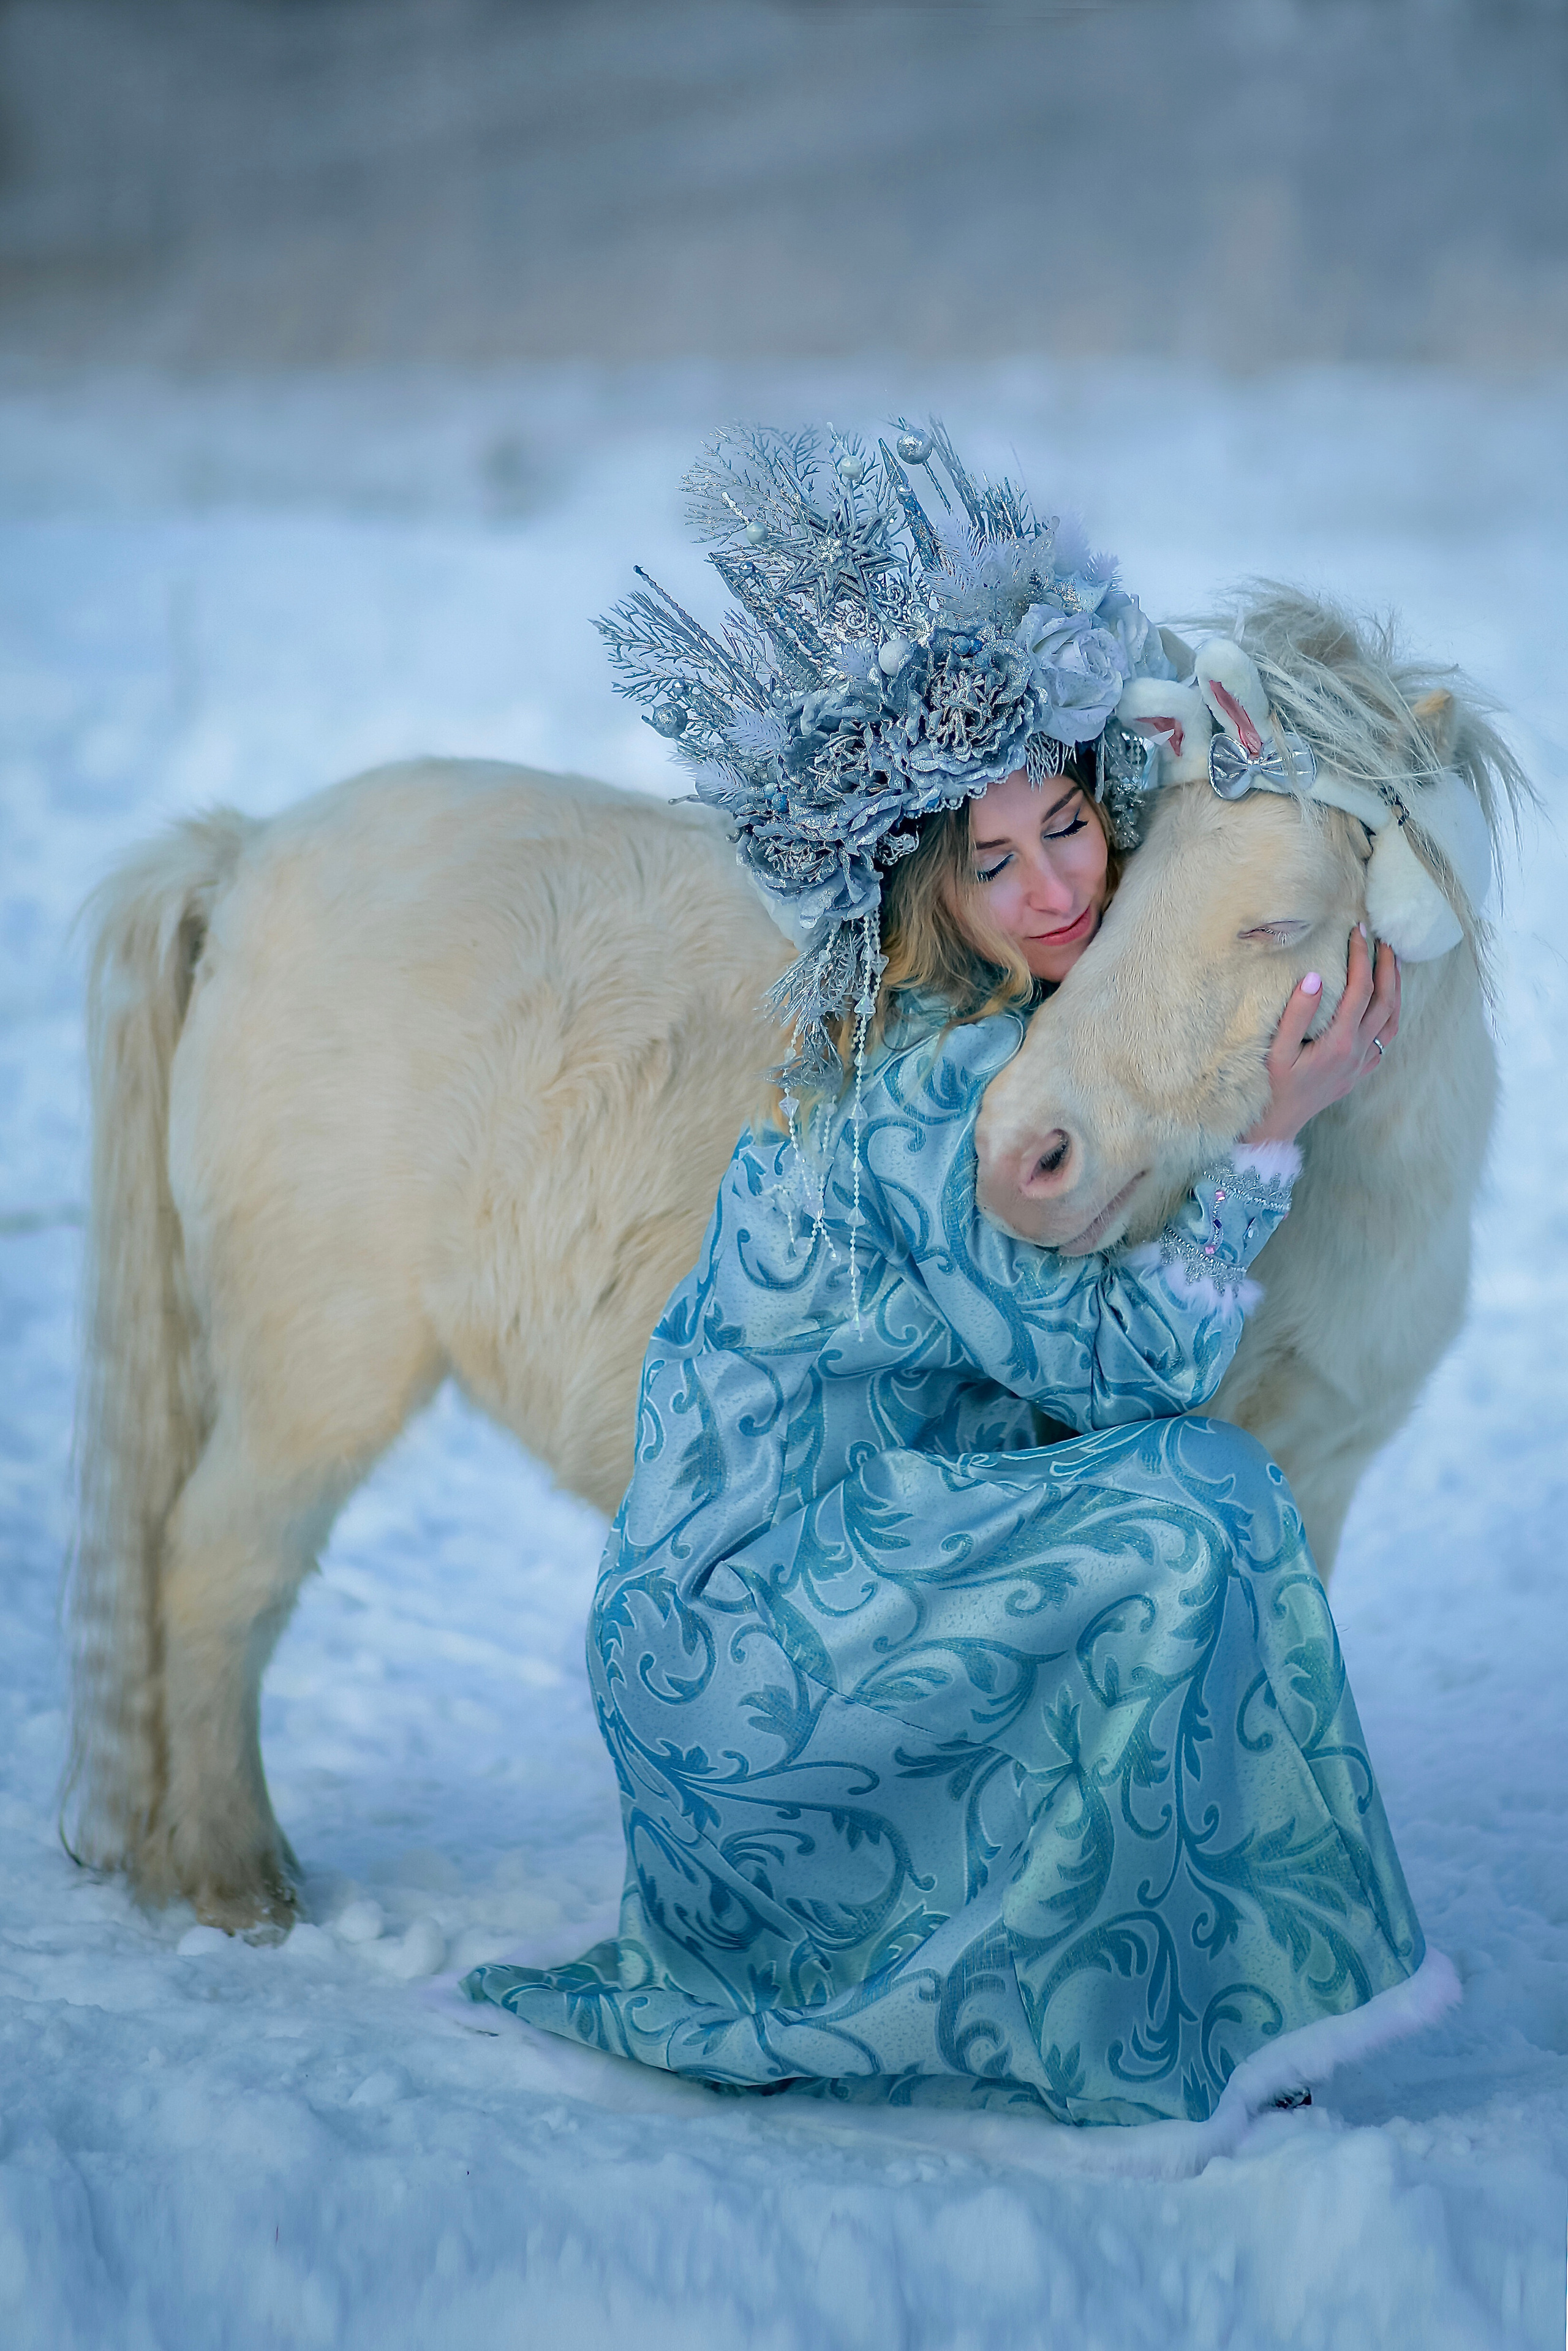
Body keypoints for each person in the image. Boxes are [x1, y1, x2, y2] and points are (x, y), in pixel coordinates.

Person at [461, 423, 1437, 2137]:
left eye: (1067, 824)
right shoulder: (948, 1090)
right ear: (935, 891)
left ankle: (1149, 1945)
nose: (1058, 884)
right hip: (751, 1654)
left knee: (1167, 1510)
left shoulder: (999, 1027)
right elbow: (1134, 1383)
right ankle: (1152, 2020)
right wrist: (1269, 1136)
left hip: (805, 1585)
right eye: (995, 864)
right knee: (1194, 1503)